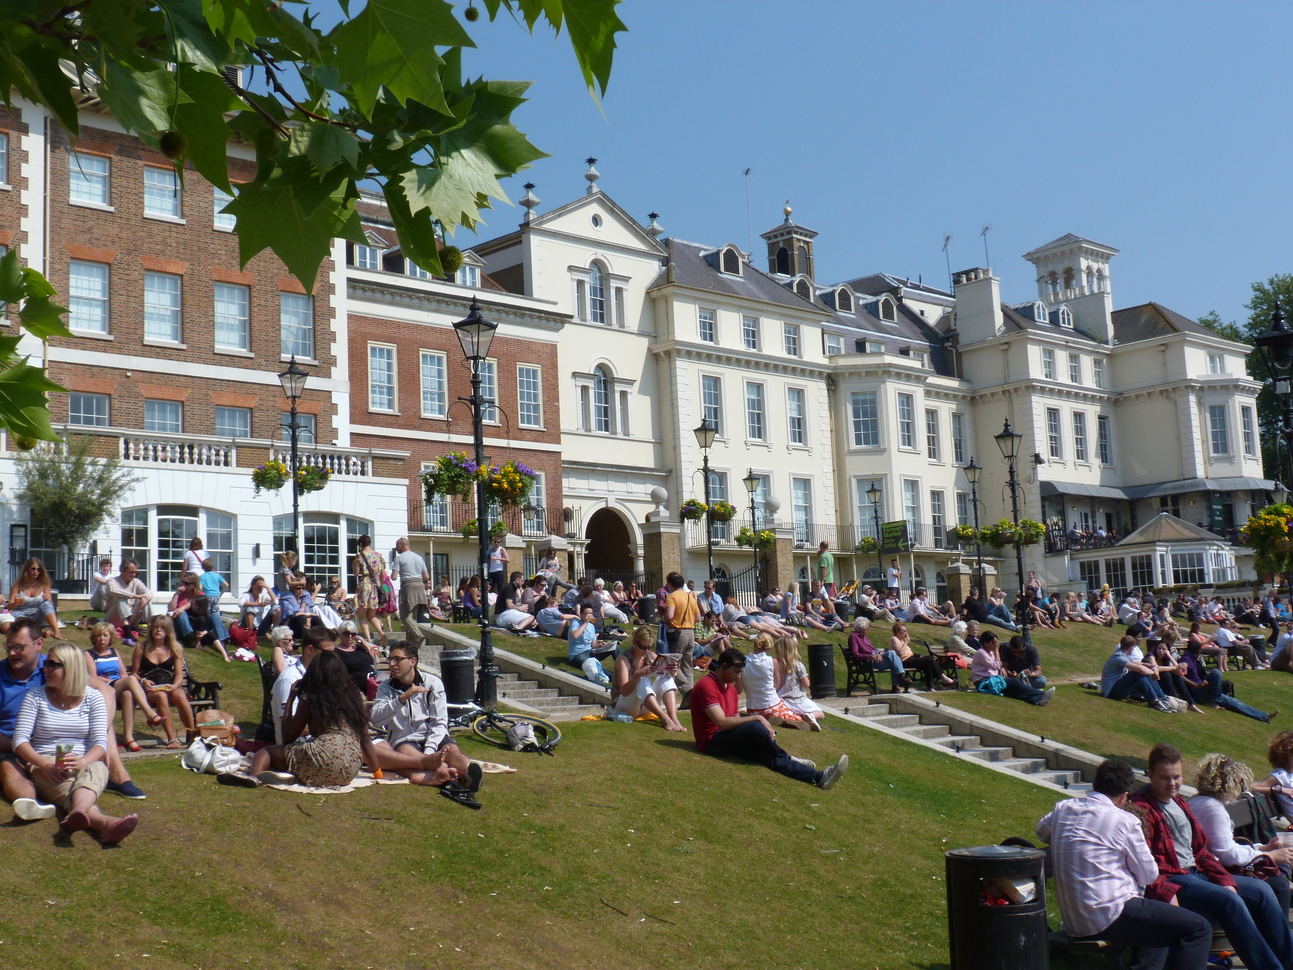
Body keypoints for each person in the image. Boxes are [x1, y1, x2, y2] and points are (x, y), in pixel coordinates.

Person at [1036, 758, 1211, 970]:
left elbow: (1042, 832)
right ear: (1124, 796)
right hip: (1109, 914)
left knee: (1162, 927)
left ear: (1095, 785)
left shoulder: (1063, 808)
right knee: (1199, 928)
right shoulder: (1125, 821)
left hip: (1075, 921)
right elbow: (1149, 875)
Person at [1131, 742, 1293, 970]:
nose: (1172, 784)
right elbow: (1147, 864)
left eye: (1176, 777)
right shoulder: (1142, 809)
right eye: (1164, 778)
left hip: (1199, 874)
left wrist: (1225, 881)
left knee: (1262, 890)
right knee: (1230, 901)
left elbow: (1202, 851)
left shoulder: (1179, 803)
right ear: (1150, 775)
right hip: (1175, 879)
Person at [8, 640, 139, 841]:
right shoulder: (35, 697)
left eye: (53, 665)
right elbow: (19, 741)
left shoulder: (93, 698)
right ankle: (103, 822)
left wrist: (83, 761)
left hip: (83, 761)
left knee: (98, 768)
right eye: (46, 664)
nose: (46, 669)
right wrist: (43, 765)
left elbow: (99, 742)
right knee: (76, 786)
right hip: (47, 763)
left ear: (71, 667)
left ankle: (81, 813)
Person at [690, 646, 848, 790]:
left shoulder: (731, 690)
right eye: (736, 672)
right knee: (755, 727)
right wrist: (757, 719)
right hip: (711, 741)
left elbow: (735, 721)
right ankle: (786, 756)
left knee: (768, 757)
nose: (738, 677)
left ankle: (819, 777)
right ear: (723, 667)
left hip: (728, 739)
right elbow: (722, 723)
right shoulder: (707, 685)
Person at [224, 651, 386, 789]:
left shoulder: (311, 698)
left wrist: (291, 697)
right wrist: (377, 771)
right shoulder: (357, 697)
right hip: (349, 768)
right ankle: (293, 774)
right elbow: (365, 738)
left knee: (265, 752)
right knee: (302, 754)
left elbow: (288, 737)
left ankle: (254, 777)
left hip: (323, 757)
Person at [1188, 753, 1292, 917]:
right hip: (1207, 873)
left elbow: (1225, 847)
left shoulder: (1200, 800)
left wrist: (1262, 847)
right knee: (1278, 885)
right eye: (1238, 782)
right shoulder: (1213, 808)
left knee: (1277, 882)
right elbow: (1228, 855)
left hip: (1209, 867)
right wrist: (1268, 855)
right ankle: (1279, 940)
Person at [370, 641, 481, 791]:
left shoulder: (433, 683)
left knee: (451, 751)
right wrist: (401, 699)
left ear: (412, 661)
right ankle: (444, 771)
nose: (392, 664)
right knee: (407, 752)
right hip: (405, 739)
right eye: (390, 659)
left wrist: (429, 752)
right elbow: (376, 719)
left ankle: (469, 771)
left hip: (435, 736)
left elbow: (439, 722)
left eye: (397, 659)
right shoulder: (385, 687)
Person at [84, 621, 162, 752]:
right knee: (131, 679)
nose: (102, 639)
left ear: (110, 637)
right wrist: (112, 680)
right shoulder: (88, 654)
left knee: (128, 694)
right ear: (94, 638)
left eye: (105, 635)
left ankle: (128, 737)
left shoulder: (114, 651)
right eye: (98, 636)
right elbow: (92, 677)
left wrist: (123, 681)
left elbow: (123, 673)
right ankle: (149, 714)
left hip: (118, 687)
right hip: (103, 688)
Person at [125, 615, 196, 748]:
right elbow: (134, 673)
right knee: (161, 696)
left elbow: (179, 675)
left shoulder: (174, 648)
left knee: (180, 694)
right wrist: (143, 681)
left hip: (169, 685)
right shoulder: (142, 647)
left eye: (162, 628)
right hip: (150, 689)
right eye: (156, 627)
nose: (158, 630)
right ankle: (171, 738)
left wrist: (174, 686)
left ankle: (193, 736)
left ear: (168, 631)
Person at [1180, 636, 1276, 723]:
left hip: (1203, 689)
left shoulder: (1194, 660)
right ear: (1198, 651)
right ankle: (1212, 701)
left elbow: (1203, 675)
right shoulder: (1185, 660)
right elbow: (1180, 676)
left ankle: (1265, 716)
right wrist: (1195, 685)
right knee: (1216, 672)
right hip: (1197, 693)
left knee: (1235, 702)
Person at [611, 626, 684, 731]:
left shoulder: (651, 656)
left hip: (645, 705)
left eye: (649, 647)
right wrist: (638, 675)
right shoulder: (624, 659)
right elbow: (623, 691)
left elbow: (666, 681)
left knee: (665, 678)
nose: (646, 651)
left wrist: (671, 672)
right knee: (642, 679)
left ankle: (673, 717)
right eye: (642, 647)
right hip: (624, 705)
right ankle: (664, 718)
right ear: (634, 643)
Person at [742, 633, 810, 728]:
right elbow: (776, 685)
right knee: (797, 717)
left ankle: (765, 719)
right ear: (769, 648)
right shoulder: (772, 662)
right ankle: (784, 720)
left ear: (755, 645)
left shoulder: (743, 661)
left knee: (761, 713)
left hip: (752, 709)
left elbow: (739, 688)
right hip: (771, 705)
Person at [972, 631, 1053, 705]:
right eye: (993, 642)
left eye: (996, 642)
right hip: (983, 682)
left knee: (1013, 692)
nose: (996, 644)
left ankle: (1037, 700)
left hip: (992, 681)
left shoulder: (989, 653)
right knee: (1014, 682)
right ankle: (1042, 694)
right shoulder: (981, 653)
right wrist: (997, 650)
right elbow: (996, 665)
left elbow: (997, 666)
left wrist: (1031, 674)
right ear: (986, 643)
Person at [1101, 635, 1174, 713]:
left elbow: (1138, 663)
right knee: (1137, 673)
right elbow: (1140, 669)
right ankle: (1154, 701)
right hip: (1110, 692)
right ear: (1132, 648)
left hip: (1117, 688)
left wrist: (1153, 666)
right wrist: (1154, 673)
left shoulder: (1123, 654)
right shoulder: (1118, 657)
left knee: (1143, 672)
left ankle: (1162, 699)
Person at [773, 633, 825, 727]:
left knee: (789, 713)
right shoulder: (798, 665)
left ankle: (794, 718)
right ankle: (809, 716)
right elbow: (806, 684)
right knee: (820, 714)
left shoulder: (775, 665)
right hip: (798, 699)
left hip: (781, 699)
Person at [663, 571, 699, 698]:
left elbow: (669, 616)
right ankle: (691, 695)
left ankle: (688, 691)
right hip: (691, 632)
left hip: (678, 632)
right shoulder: (691, 597)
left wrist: (663, 618)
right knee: (687, 664)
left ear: (670, 584)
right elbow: (698, 618)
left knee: (673, 663)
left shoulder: (672, 597)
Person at [891, 621, 955, 689]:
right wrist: (906, 643)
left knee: (928, 665)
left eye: (906, 631)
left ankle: (931, 688)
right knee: (929, 658)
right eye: (904, 631)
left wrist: (916, 655)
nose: (906, 632)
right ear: (897, 632)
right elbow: (900, 653)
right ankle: (944, 678)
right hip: (903, 661)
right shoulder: (894, 639)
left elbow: (907, 653)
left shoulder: (901, 640)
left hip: (911, 659)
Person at [392, 537, 431, 646]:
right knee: (413, 617)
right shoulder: (419, 558)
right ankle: (411, 645)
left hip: (408, 586)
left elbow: (394, 577)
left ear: (403, 545)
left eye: (397, 546)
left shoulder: (399, 558)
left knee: (405, 616)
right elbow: (426, 577)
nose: (396, 548)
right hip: (419, 586)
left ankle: (418, 635)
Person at [351, 534, 388, 646]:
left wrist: (354, 565)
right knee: (371, 615)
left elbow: (356, 573)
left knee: (362, 616)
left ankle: (368, 639)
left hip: (365, 584)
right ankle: (381, 633)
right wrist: (380, 584)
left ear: (361, 544)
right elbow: (382, 573)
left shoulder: (360, 555)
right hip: (375, 585)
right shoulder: (378, 555)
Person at [8, 558, 60, 637]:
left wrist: (48, 599)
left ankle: (56, 631)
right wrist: (15, 603)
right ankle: (39, 633)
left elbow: (50, 606)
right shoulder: (17, 585)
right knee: (21, 620)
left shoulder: (44, 584)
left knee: (46, 604)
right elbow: (9, 607)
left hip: (37, 615)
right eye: (33, 569)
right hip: (21, 614)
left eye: (38, 569)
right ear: (27, 569)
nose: (36, 572)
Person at [104, 558, 152, 639]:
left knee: (146, 599)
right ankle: (127, 631)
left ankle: (152, 627)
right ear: (123, 570)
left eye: (135, 573)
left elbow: (148, 591)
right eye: (131, 572)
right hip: (113, 619)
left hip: (131, 619)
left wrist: (145, 598)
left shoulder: (136, 582)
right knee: (120, 599)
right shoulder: (112, 580)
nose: (133, 575)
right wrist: (136, 596)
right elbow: (113, 591)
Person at [334, 621, 378, 695]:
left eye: (353, 634)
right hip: (355, 686)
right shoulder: (336, 652)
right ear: (340, 634)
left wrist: (365, 645)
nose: (350, 636)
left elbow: (376, 661)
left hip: (372, 682)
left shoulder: (360, 648)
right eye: (346, 634)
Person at [487, 535, 509, 614]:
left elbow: (507, 559)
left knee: (500, 586)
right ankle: (490, 601)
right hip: (491, 570)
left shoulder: (501, 549)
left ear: (500, 543)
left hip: (498, 570)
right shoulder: (491, 550)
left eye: (498, 542)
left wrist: (497, 558)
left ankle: (501, 602)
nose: (496, 544)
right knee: (490, 586)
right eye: (495, 542)